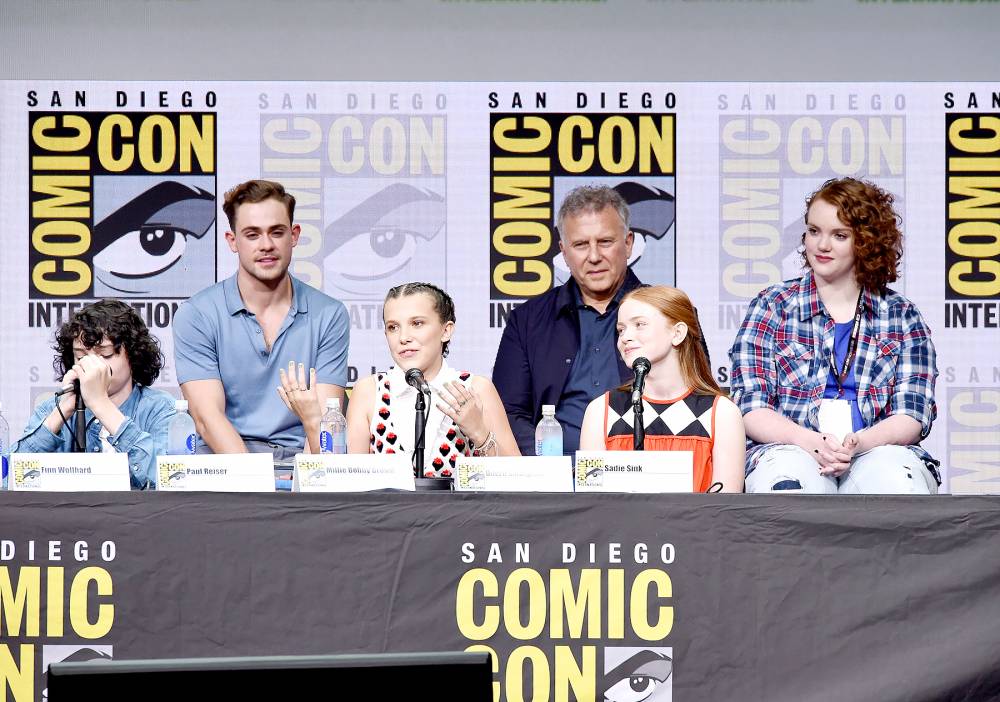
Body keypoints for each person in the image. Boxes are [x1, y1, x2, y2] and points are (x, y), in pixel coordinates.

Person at [729, 177, 940, 494]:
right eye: (814, 231)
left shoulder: (901, 315)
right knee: (789, 487)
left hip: (877, 450)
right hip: (791, 449)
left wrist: (859, 442)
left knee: (897, 486)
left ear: (866, 242)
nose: (821, 245)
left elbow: (911, 413)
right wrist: (809, 441)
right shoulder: (772, 306)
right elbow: (751, 407)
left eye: (839, 235)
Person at [173, 180, 349, 458]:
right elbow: (208, 420)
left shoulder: (330, 314)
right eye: (252, 234)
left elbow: (326, 422)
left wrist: (306, 484)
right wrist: (256, 487)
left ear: (294, 235)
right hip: (225, 466)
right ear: (233, 241)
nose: (266, 245)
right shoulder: (196, 314)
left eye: (276, 232)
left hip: (300, 463)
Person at [492, 185, 644, 457]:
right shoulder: (526, 321)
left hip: (643, 476)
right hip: (553, 484)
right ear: (564, 251)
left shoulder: (670, 315)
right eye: (581, 245)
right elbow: (509, 411)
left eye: (606, 242)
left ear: (628, 243)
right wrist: (547, 467)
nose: (594, 256)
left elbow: (695, 402)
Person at [579, 286, 745, 493]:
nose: (625, 337)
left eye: (639, 324)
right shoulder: (600, 411)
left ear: (677, 333)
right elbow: (590, 502)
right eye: (621, 329)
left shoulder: (721, 413)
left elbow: (725, 509)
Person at [343, 283, 519, 476]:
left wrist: (479, 433)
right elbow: (352, 483)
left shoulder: (475, 389)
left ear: (446, 331)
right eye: (393, 327)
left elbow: (517, 480)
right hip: (388, 507)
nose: (403, 337)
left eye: (417, 323)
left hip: (460, 507)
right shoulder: (369, 391)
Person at [12, 300, 175, 489]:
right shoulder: (52, 408)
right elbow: (9, 479)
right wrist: (65, 408)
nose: (90, 365)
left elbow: (170, 481)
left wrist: (101, 404)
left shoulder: (160, 407)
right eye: (81, 356)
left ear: (133, 356)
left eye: (104, 355)